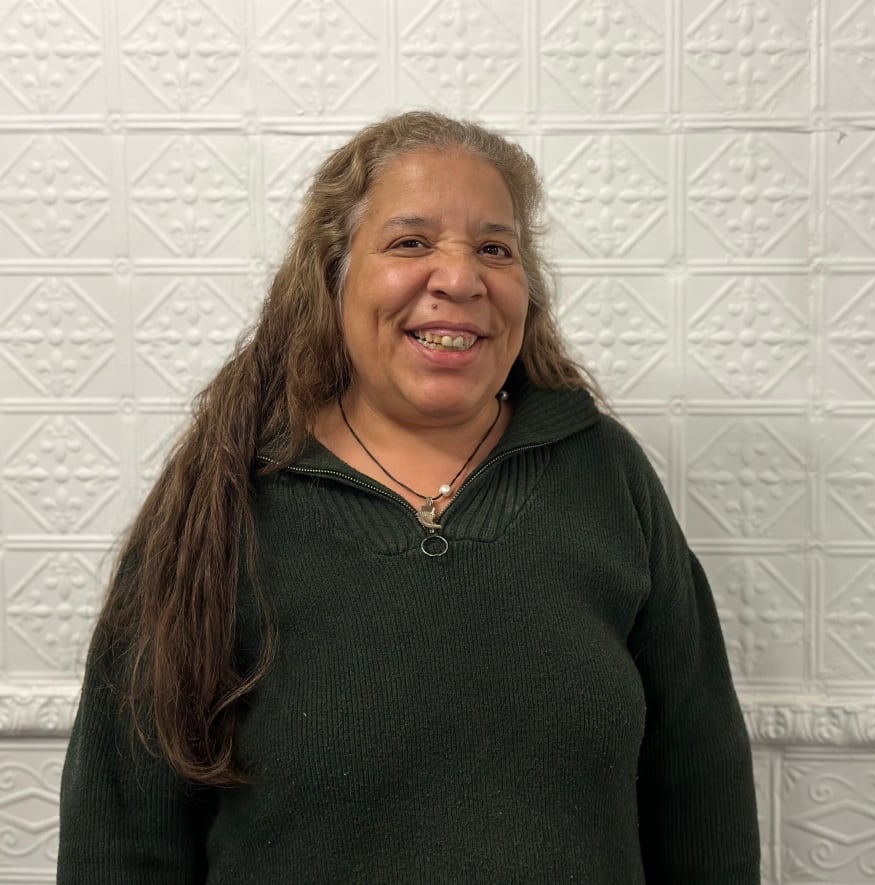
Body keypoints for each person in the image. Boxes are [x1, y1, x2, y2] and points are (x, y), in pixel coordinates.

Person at [57, 110, 760, 883]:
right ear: (333, 272)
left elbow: (702, 791)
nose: (459, 278)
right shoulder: (220, 502)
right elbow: (121, 834)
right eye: (410, 242)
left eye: (495, 247)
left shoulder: (606, 475)